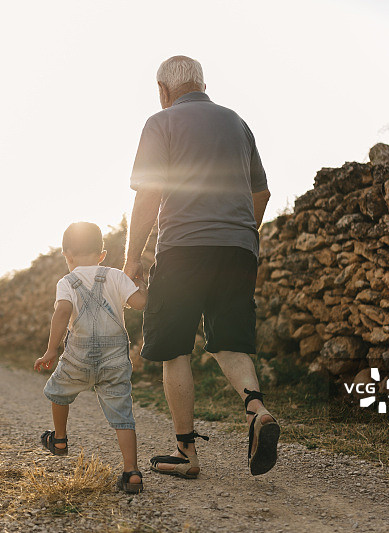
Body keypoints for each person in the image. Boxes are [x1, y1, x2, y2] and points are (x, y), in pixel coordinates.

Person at [123, 55, 279, 478]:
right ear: (203, 85)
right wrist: (240, 234)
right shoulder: (237, 123)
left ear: (162, 90)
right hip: (238, 248)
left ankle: (186, 454)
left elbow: (149, 192)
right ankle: (257, 410)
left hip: (183, 249)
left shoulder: (161, 122)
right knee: (230, 343)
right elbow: (262, 194)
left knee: (174, 348)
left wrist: (132, 257)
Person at [34, 222, 148, 493]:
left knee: (58, 391)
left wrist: (51, 349)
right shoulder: (116, 276)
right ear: (102, 254)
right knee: (122, 413)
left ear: (67, 255)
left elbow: (62, 312)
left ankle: (59, 438)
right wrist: (141, 284)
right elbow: (140, 303)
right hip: (115, 359)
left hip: (78, 357)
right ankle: (131, 472)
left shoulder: (66, 282)